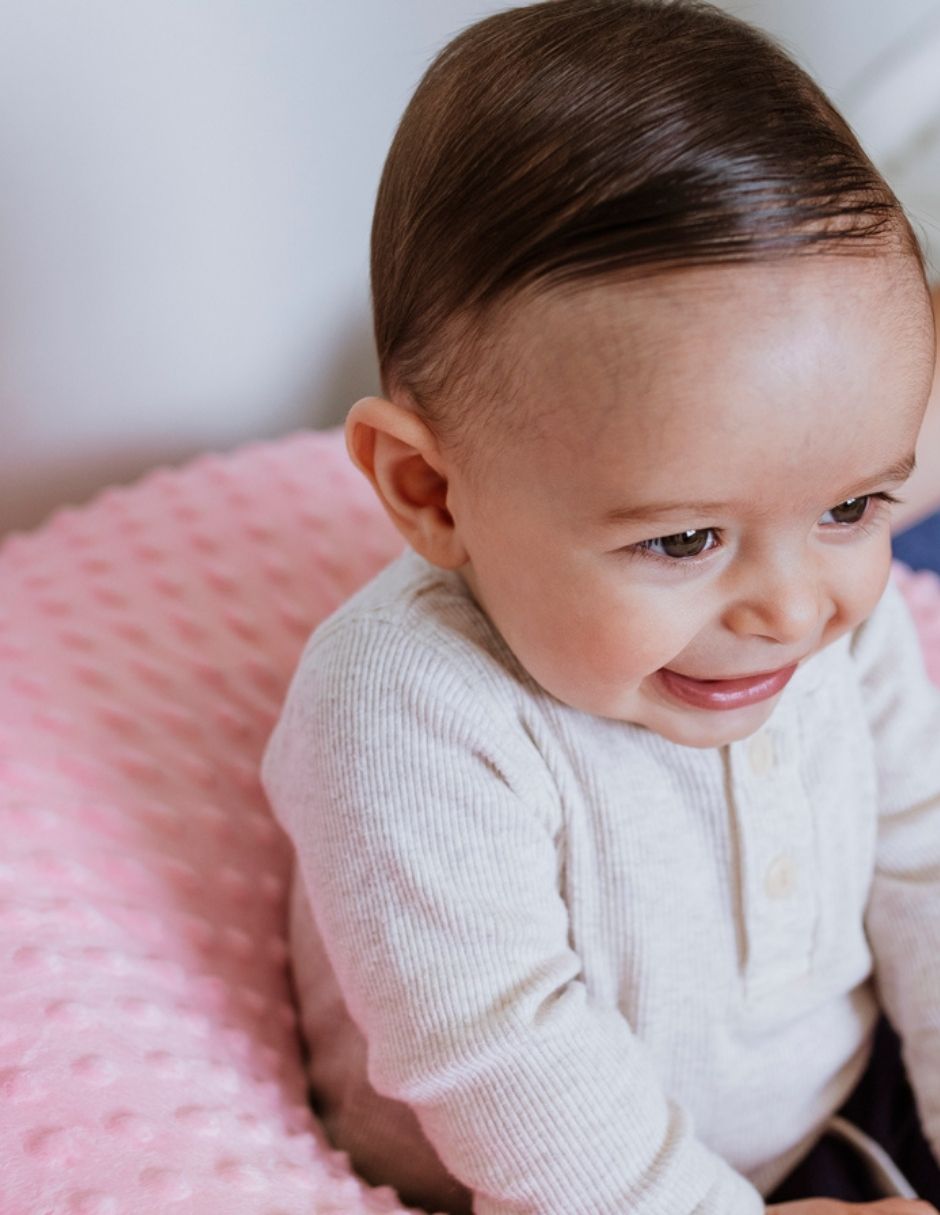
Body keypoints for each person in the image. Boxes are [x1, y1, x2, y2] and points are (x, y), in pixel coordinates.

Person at [260, 2, 940, 1212]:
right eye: (684, 538)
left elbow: (923, 865)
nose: (794, 608)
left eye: (853, 507)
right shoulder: (405, 713)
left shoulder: (836, 614)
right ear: (432, 493)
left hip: (827, 1110)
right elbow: (503, 1059)